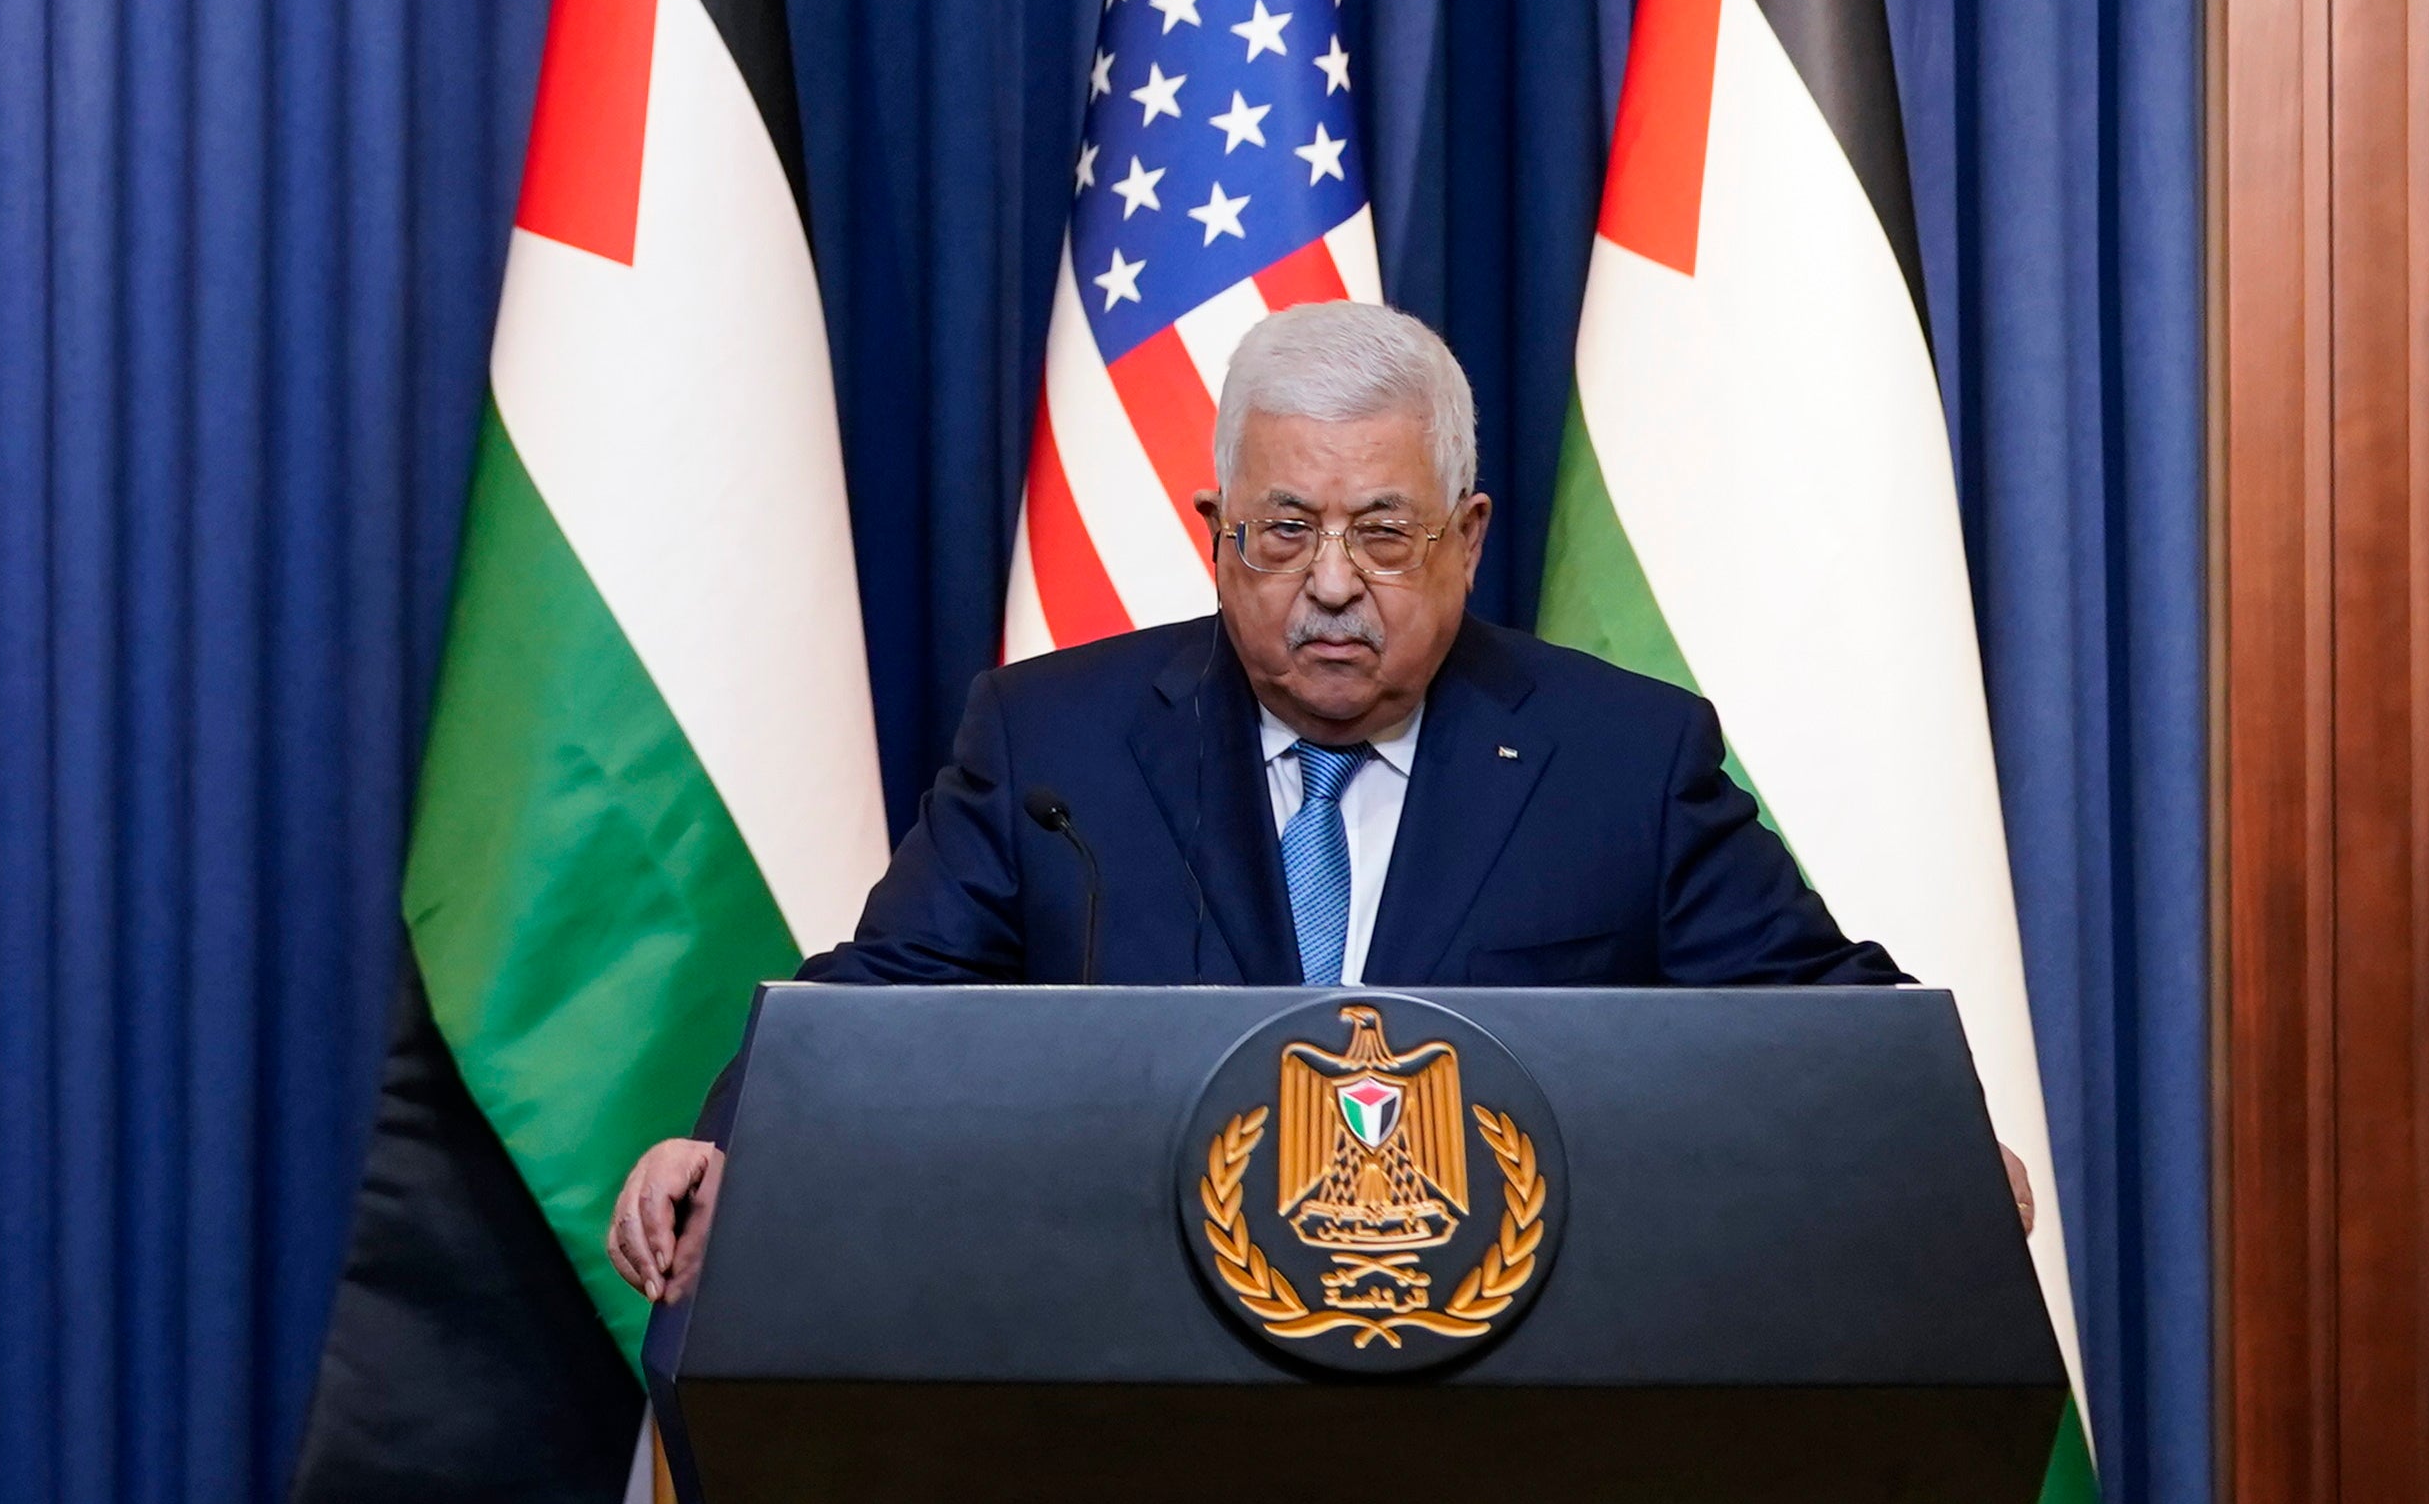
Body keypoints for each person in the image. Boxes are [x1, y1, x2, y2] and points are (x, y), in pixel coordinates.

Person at [607, 299, 1950, 1303]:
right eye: (1281, 529)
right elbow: (881, 1002)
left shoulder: (1619, 761)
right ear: (1214, 532)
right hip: (1127, 1408)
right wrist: (735, 1145)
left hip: (1512, 1439)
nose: (1326, 583)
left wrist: (1925, 1134)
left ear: (1464, 537)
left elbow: (1806, 1010)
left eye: (1379, 530)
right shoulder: (1052, 749)